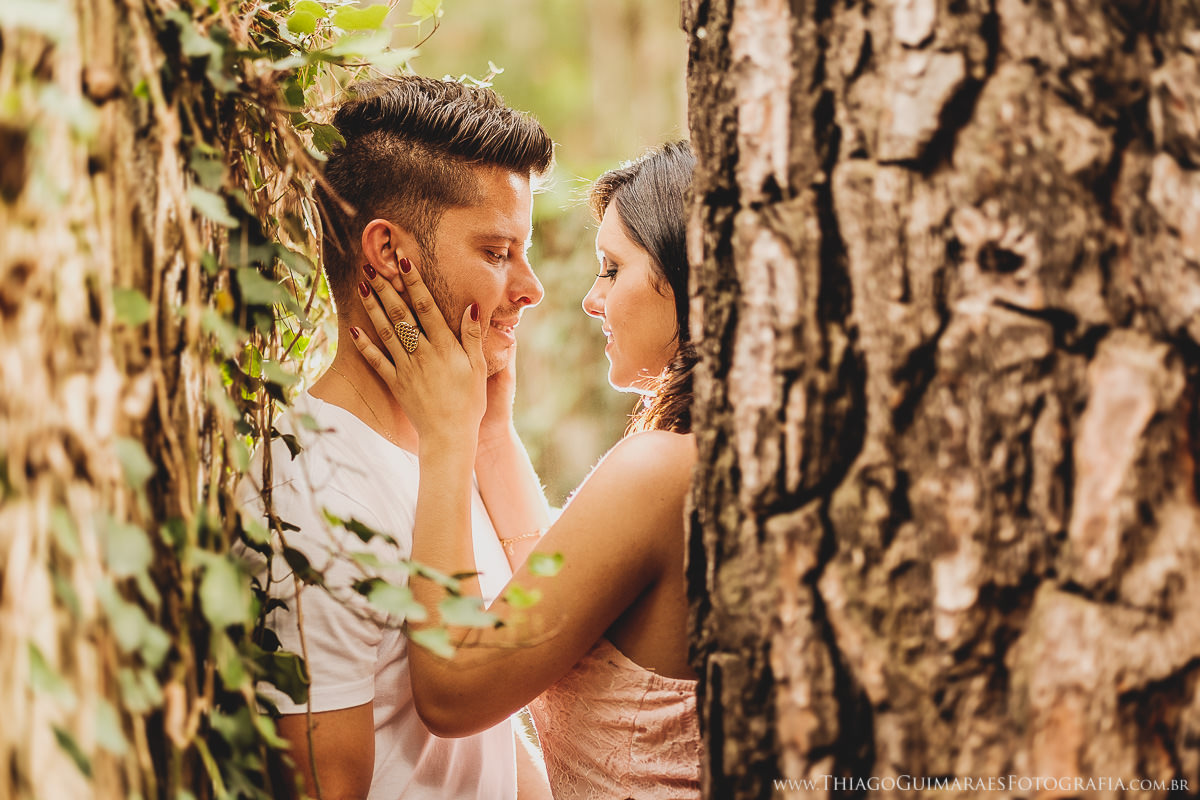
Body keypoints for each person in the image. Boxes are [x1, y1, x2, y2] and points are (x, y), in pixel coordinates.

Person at [238, 75, 556, 800]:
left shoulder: (446, 444)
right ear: (389, 253)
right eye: (498, 252)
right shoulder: (308, 487)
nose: (531, 287)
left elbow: (496, 743)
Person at [351, 141, 701, 799]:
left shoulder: (664, 465)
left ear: (691, 278)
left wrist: (446, 436)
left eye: (613, 268)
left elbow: (455, 690)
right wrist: (489, 433)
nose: (592, 301)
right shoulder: (693, 459)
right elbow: (560, 599)